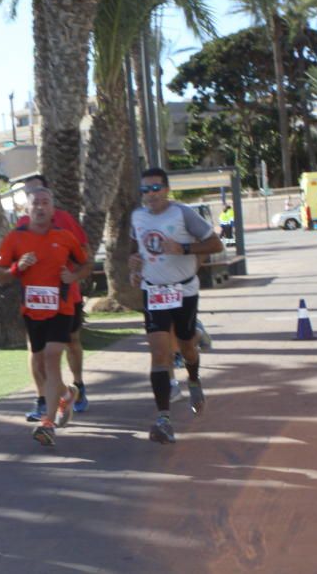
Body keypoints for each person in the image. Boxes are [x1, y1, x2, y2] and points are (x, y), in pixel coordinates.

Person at [129, 167, 223, 445]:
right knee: (159, 354)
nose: (151, 194)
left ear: (167, 189)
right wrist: (133, 269)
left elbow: (215, 243)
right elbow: (134, 250)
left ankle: (193, 379)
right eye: (145, 190)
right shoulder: (137, 217)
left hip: (183, 290)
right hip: (154, 292)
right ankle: (164, 419)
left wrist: (182, 249)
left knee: (187, 347)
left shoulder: (182, 214)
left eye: (156, 188)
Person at [0, 187, 91, 446]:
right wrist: (18, 267)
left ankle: (47, 424)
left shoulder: (65, 236)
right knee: (38, 364)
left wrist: (73, 277)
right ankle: (67, 394)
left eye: (45, 203)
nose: (40, 207)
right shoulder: (14, 238)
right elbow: (0, 275)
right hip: (32, 310)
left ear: (52, 209)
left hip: (61, 308)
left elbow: (86, 263)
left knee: (51, 359)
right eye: (35, 203)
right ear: (27, 210)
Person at [16, 175, 92, 419]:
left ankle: (78, 385)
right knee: (36, 351)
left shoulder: (64, 220)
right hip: (35, 299)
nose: (36, 200)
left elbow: (84, 253)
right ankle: (42, 399)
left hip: (66, 295)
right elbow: (9, 260)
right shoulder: (21, 225)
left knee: (71, 341)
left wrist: (72, 275)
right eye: (30, 195)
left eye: (39, 194)